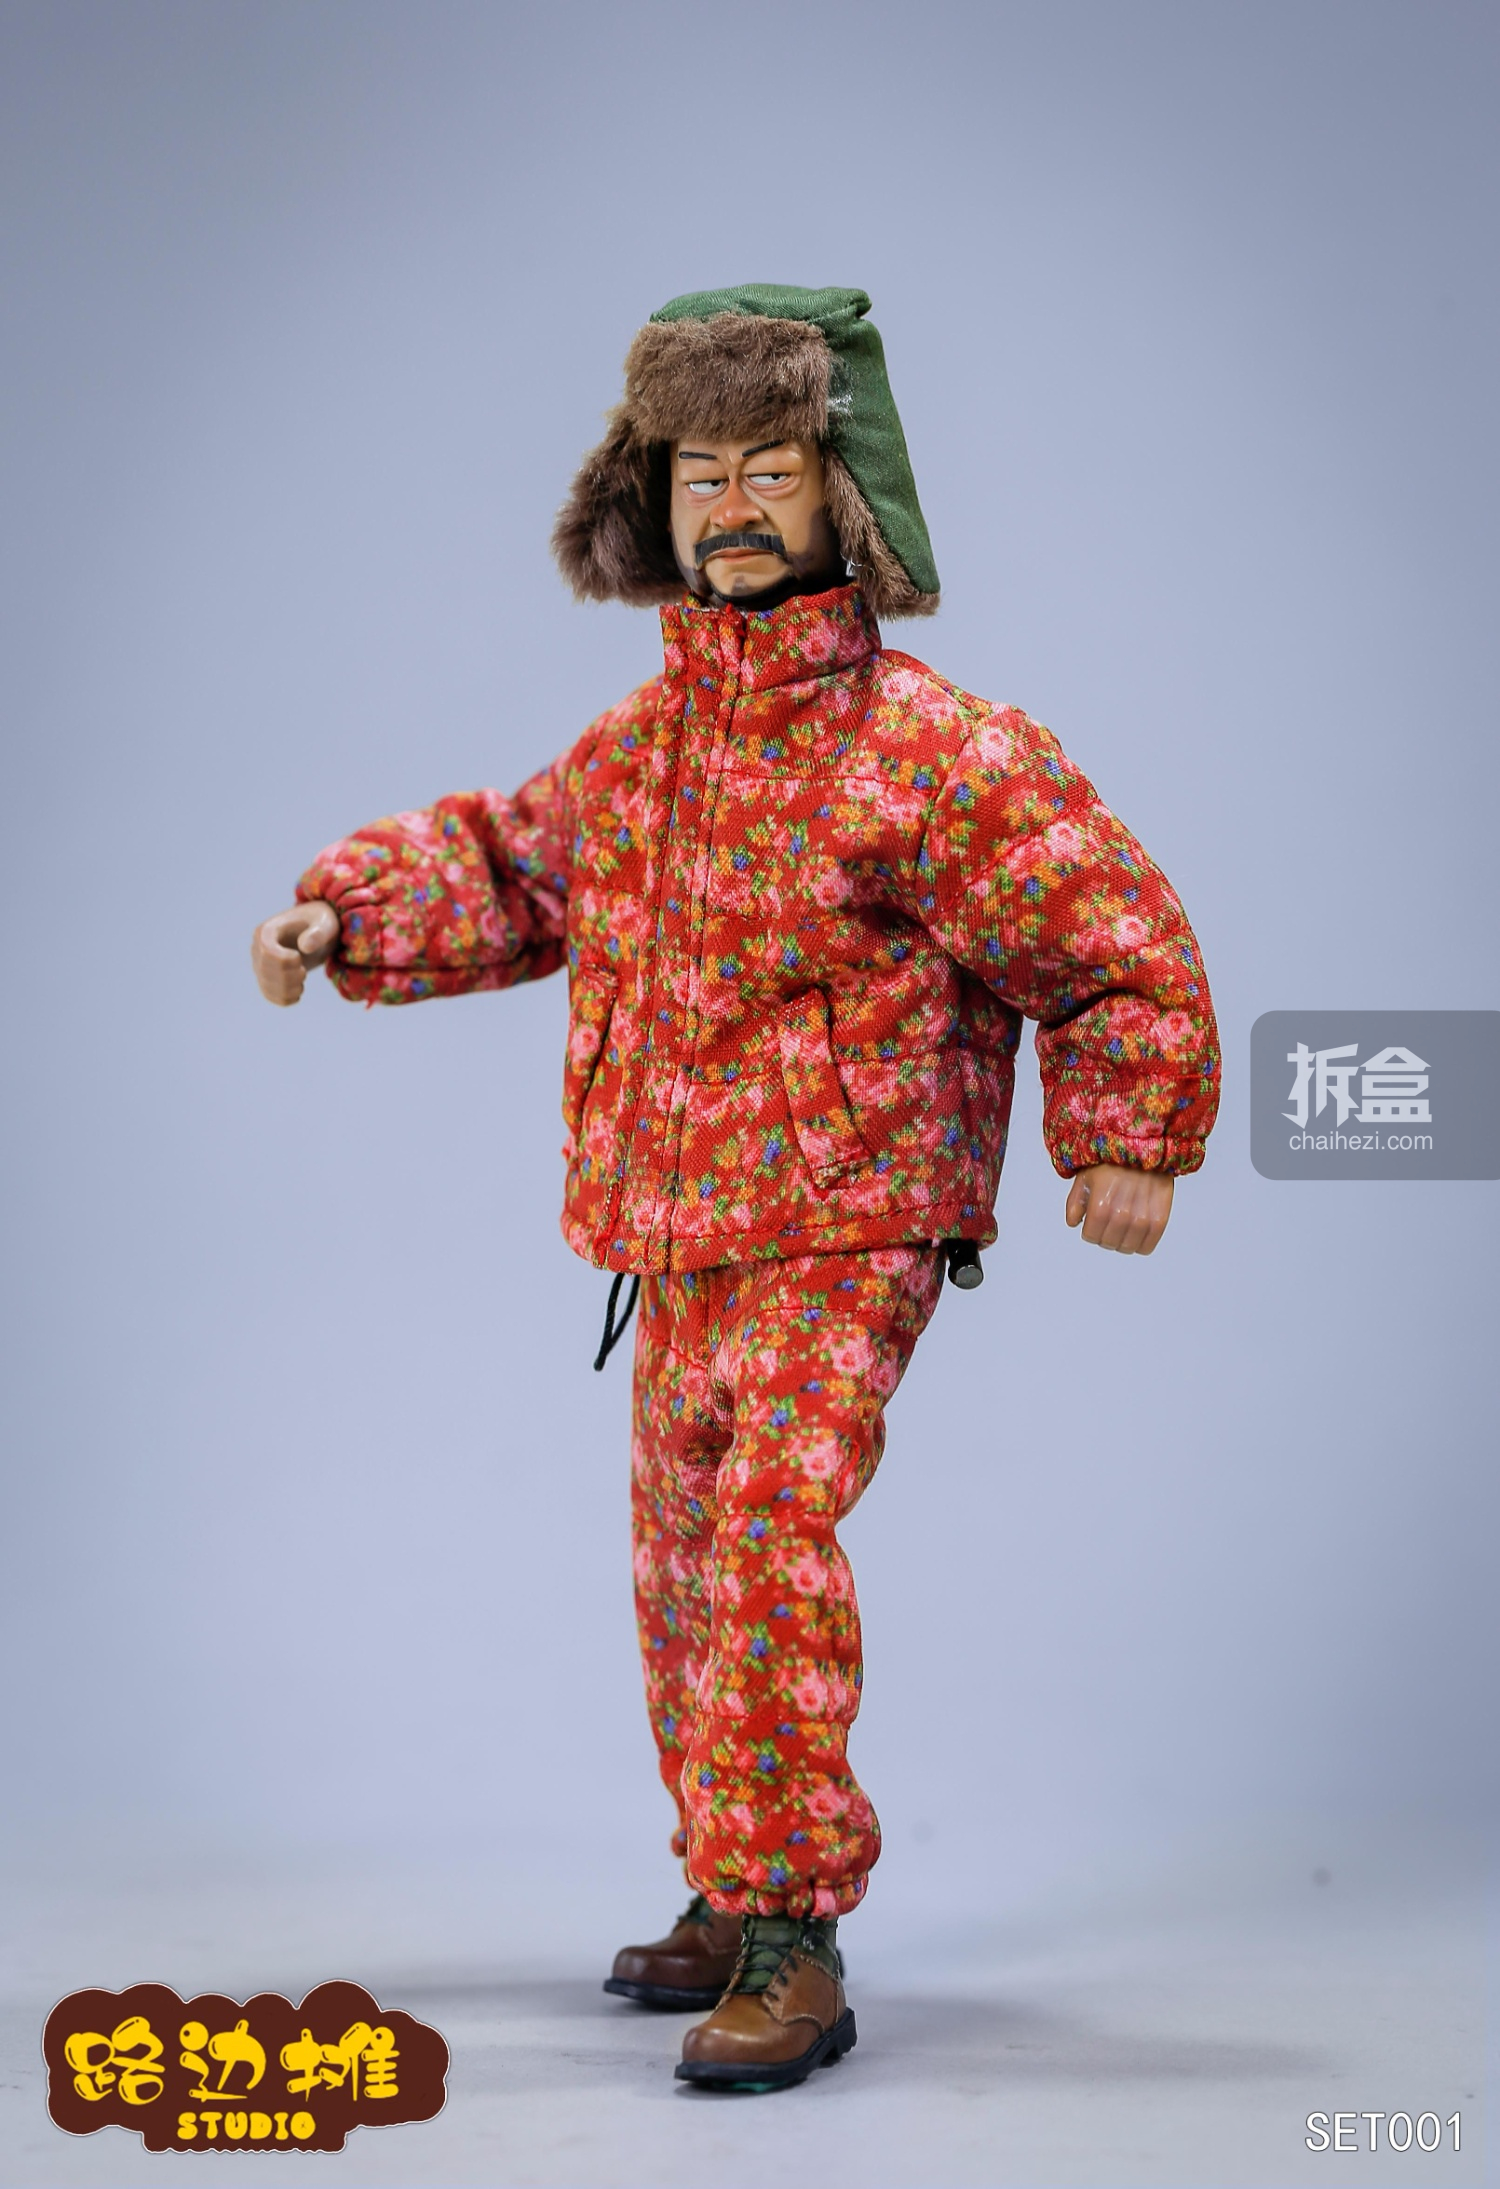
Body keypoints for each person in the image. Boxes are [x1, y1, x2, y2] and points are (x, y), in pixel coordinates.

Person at [252, 284, 1220, 2093]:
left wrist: (1129, 1128)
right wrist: (348, 908)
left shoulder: (928, 747)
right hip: (677, 1234)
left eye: (772, 468)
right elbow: (513, 866)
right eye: (700, 475)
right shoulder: (646, 752)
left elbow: (1107, 931)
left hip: (850, 1219)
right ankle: (729, 1873)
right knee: (685, 1561)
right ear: (650, 500)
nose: (735, 507)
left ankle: (795, 1932)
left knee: (769, 1531)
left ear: (847, 491)